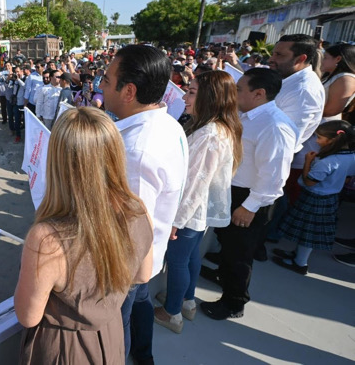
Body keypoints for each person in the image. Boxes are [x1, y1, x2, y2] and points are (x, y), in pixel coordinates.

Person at [14, 107, 153, 364]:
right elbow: (142, 275)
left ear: (58, 162)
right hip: (109, 335)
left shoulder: (47, 239)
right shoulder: (137, 209)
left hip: (63, 348)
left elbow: (28, 316)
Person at [100, 45, 188, 364]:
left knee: (118, 325)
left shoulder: (134, 149)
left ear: (129, 90)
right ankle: (144, 355)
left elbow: (132, 231)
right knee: (141, 306)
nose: (101, 85)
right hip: (152, 255)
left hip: (128, 266)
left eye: (107, 80)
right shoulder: (167, 124)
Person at [200, 68, 297, 320]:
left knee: (239, 253)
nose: (234, 92)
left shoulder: (275, 126)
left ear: (259, 93)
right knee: (227, 242)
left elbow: (274, 177)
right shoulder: (247, 115)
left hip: (250, 197)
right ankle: (223, 276)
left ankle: (234, 302)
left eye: (240, 88)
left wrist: (250, 206)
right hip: (234, 189)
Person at [154, 71, 242, 334]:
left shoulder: (210, 134)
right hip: (196, 210)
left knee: (178, 260)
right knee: (190, 256)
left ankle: (172, 313)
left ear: (210, 97)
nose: (184, 96)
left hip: (188, 212)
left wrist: (176, 221)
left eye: (191, 92)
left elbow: (194, 183)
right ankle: (186, 301)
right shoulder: (214, 128)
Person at [263, 34, 326, 251]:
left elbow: (284, 137)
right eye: (273, 52)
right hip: (264, 156)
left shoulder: (303, 90)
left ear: (300, 58)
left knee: (257, 219)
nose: (272, 58)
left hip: (271, 159)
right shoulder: (288, 79)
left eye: (279, 55)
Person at [273, 121, 355, 274]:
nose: (317, 141)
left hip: (315, 197)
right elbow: (348, 178)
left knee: (308, 234)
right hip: (330, 197)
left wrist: (308, 162)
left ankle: (300, 263)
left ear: (333, 140)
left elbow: (309, 182)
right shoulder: (351, 156)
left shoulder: (328, 162)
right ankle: (297, 255)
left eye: (320, 138)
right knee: (308, 232)